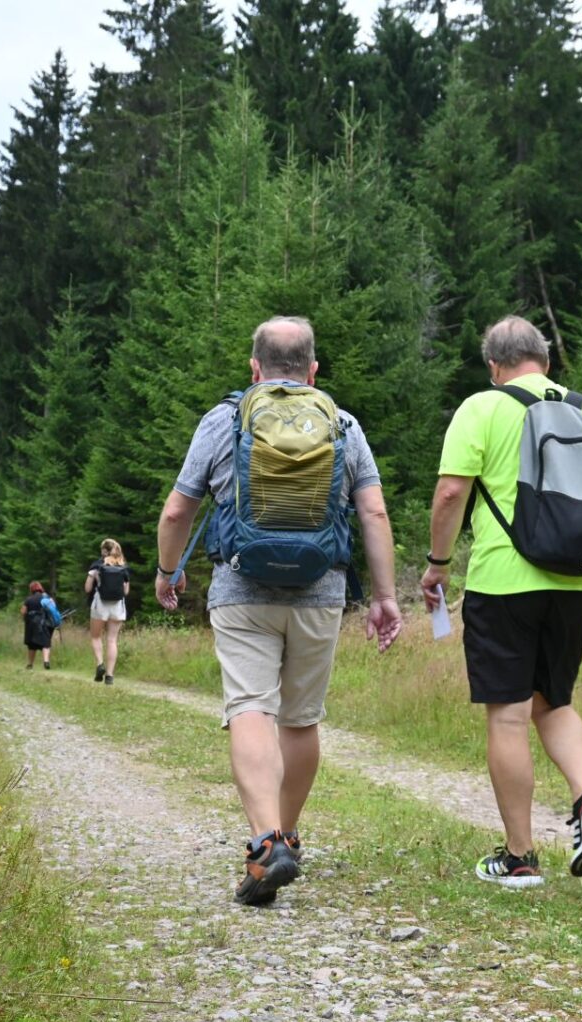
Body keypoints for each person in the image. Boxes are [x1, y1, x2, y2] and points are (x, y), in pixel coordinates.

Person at [155, 316, 403, 907]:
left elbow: (176, 512)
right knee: (300, 719)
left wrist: (168, 574)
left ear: (254, 368)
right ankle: (287, 831)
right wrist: (386, 597)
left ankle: (266, 843)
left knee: (250, 708)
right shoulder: (342, 424)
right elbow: (373, 514)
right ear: (313, 369)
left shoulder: (225, 420)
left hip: (241, 592)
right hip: (321, 592)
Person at [420, 315, 582, 890]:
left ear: (494, 365)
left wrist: (439, 565)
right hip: (577, 583)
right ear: (545, 358)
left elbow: (449, 492)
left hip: (504, 580)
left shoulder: (482, 408)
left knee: (510, 713)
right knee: (554, 702)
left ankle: (519, 857)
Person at [85, 539, 130, 684]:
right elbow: (126, 591)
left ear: (104, 550)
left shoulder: (97, 565)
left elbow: (87, 588)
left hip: (100, 604)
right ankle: (109, 676)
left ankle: (100, 664)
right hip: (117, 606)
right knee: (112, 640)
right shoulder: (123, 566)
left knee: (96, 637)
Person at [20, 581, 58, 670]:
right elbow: (54, 609)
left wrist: (25, 618)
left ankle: (30, 664)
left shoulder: (29, 599)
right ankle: (46, 662)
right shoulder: (47, 598)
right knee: (46, 643)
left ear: (31, 589)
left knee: (32, 645)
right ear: (40, 588)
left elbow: (23, 611)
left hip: (31, 625)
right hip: (44, 624)